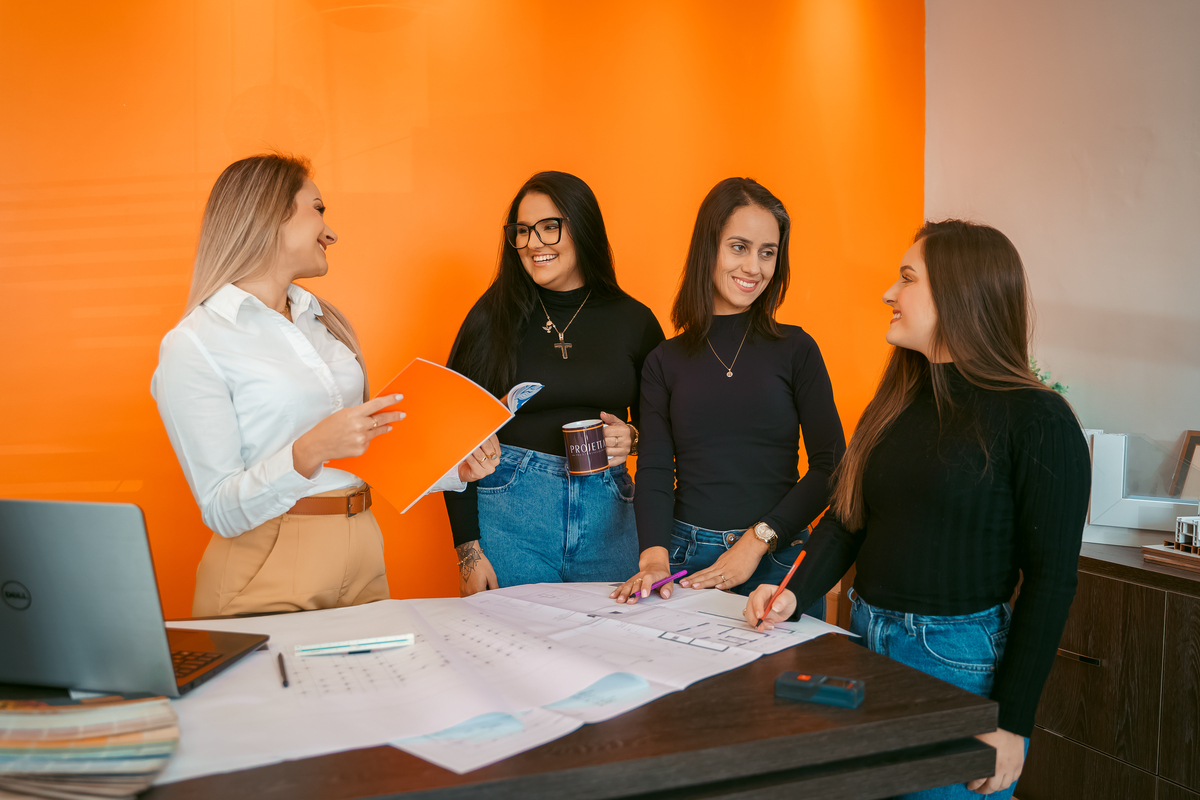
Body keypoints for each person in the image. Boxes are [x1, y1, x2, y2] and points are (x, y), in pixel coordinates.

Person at [744, 220, 1091, 799]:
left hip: (955, 664)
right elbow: (847, 521)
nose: (889, 293)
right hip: (864, 644)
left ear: (960, 293)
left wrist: (1011, 723)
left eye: (907, 278)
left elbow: (1051, 582)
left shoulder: (1040, 419)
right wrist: (791, 596)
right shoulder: (895, 403)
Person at [152, 153, 499, 617]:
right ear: (270, 213)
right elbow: (221, 510)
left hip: (362, 545)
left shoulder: (322, 322)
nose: (331, 232)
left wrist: (454, 470)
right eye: (317, 209)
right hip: (267, 561)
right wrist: (310, 449)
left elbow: (361, 454)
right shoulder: (194, 343)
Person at [611, 178, 846, 616]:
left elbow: (832, 466)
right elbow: (656, 468)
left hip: (779, 555)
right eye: (739, 247)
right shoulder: (664, 360)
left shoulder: (797, 349)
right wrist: (654, 559)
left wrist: (756, 541)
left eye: (767, 252)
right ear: (709, 248)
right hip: (686, 558)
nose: (753, 267)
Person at [445, 171, 665, 595]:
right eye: (522, 230)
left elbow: (667, 430)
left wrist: (633, 437)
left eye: (549, 227)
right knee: (511, 636)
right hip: (510, 514)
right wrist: (468, 550)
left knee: (612, 632)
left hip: (610, 514)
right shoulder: (491, 317)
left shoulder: (634, 320)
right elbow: (454, 439)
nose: (533, 243)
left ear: (583, 228)